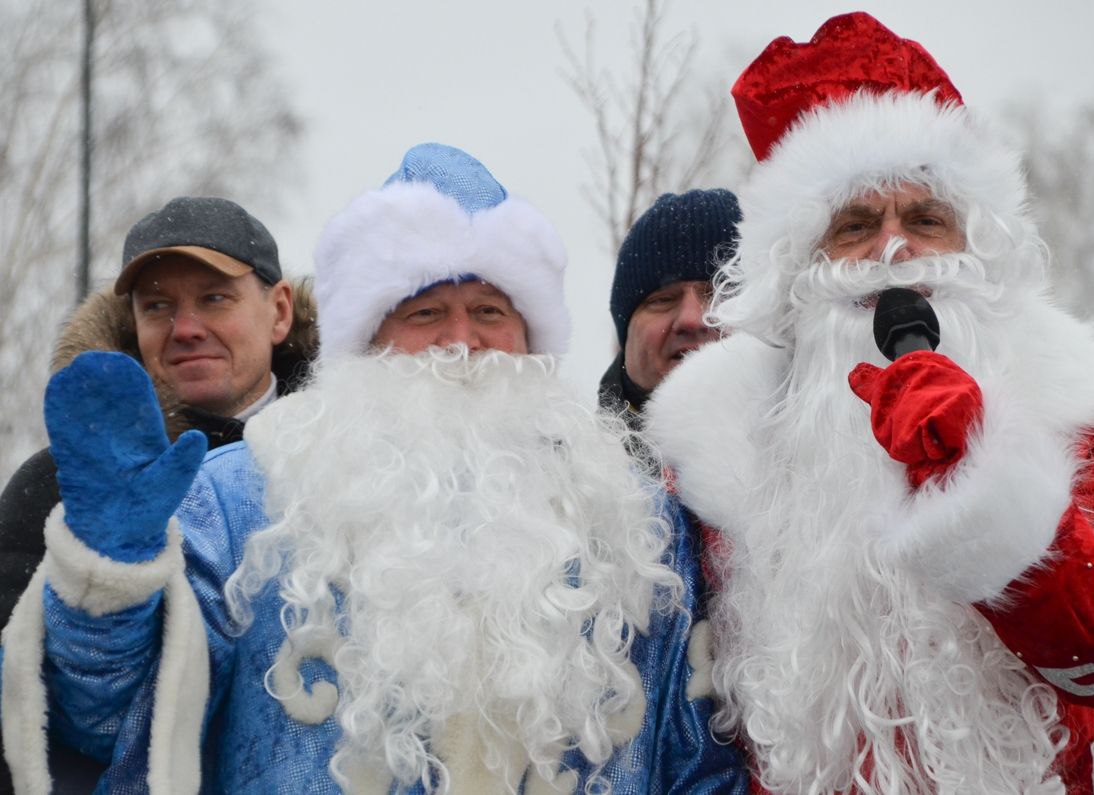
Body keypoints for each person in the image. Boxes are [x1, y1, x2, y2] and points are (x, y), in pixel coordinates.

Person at [2, 144, 746, 793]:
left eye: (490, 311)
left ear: (529, 335)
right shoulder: (236, 500)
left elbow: (697, 766)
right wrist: (107, 580)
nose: (462, 341)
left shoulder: (634, 520)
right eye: (424, 313)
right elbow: (104, 718)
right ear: (369, 340)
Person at [644, 13, 1094, 793]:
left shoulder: (1087, 409)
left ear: (977, 241)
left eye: (926, 219)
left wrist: (996, 503)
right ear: (801, 259)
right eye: (856, 224)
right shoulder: (714, 446)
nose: (894, 249)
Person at [0, 196, 312, 794]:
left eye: (214, 298)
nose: (185, 328)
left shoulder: (359, 469)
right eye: (157, 307)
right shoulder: (58, 482)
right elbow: (24, 696)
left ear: (278, 312)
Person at [599, 189, 740, 438]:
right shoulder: (562, 473)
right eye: (663, 299)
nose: (692, 319)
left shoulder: (825, 469)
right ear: (625, 334)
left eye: (719, 295)